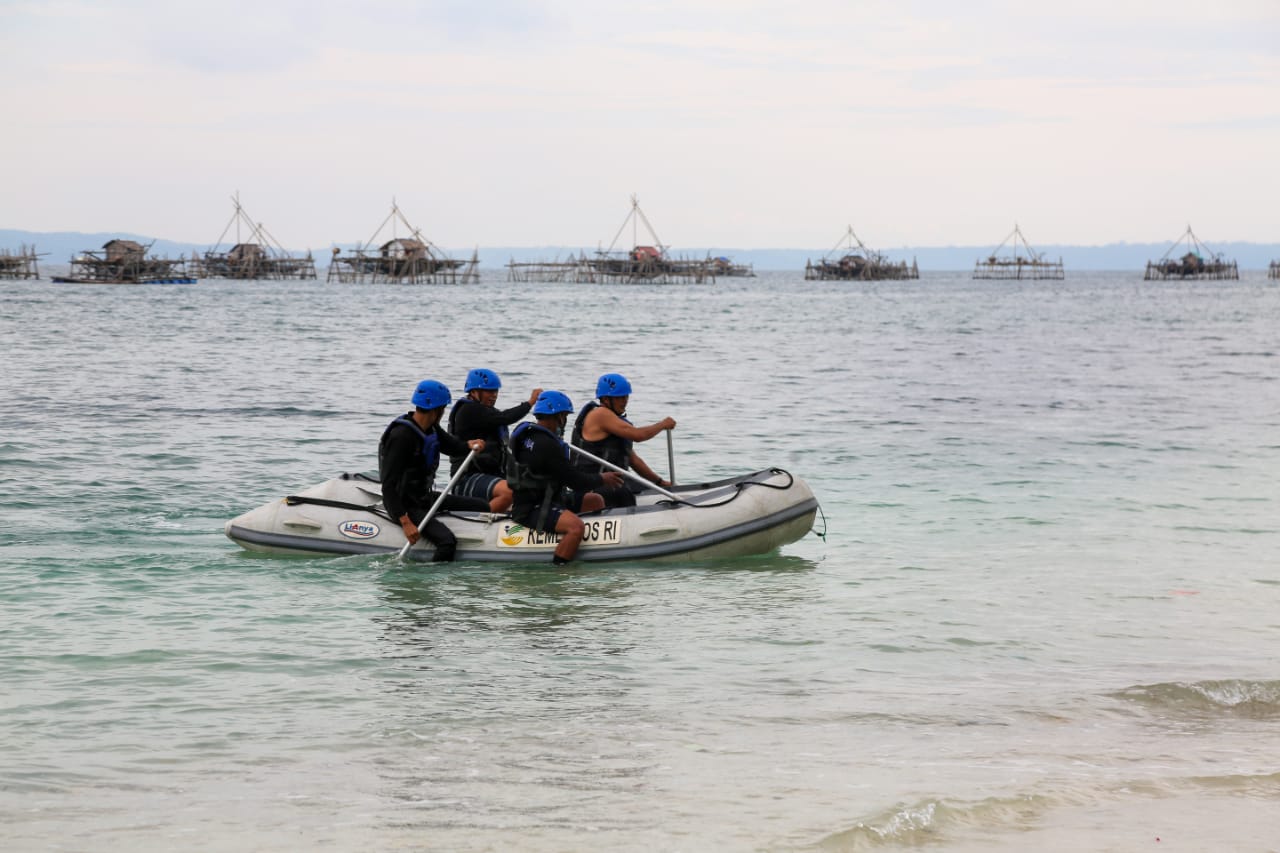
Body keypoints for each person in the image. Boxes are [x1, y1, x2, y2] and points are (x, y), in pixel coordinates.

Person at [507, 390, 624, 565]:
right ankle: (560, 573)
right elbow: (576, 482)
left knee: (595, 500)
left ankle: (597, 546)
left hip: (548, 497)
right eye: (565, 416)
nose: (565, 421)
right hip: (532, 508)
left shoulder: (528, 435)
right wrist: (602, 478)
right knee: (576, 528)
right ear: (558, 416)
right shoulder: (546, 445)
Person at [379, 379, 487, 562]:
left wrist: (470, 444)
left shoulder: (431, 428)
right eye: (444, 408)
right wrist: (405, 522)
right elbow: (388, 486)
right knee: (447, 542)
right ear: (437, 409)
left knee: (483, 507)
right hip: (404, 504)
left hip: (423, 497)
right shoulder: (401, 437)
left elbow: (452, 446)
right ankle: (427, 582)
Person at [570, 372, 676, 508]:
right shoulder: (600, 414)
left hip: (612, 483)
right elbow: (638, 435)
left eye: (626, 396)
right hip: (595, 486)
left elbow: (633, 460)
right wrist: (662, 424)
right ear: (606, 399)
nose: (625, 400)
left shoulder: (614, 421)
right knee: (623, 492)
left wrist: (659, 482)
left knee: (638, 486)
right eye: (620, 397)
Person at [447, 368, 542, 513]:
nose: (494, 395)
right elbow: (506, 417)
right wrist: (530, 403)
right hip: (466, 480)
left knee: (532, 489)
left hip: (491, 476)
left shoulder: (487, 413)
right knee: (509, 492)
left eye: (495, 391)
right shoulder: (469, 410)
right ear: (474, 392)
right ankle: (481, 522)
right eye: (489, 391)